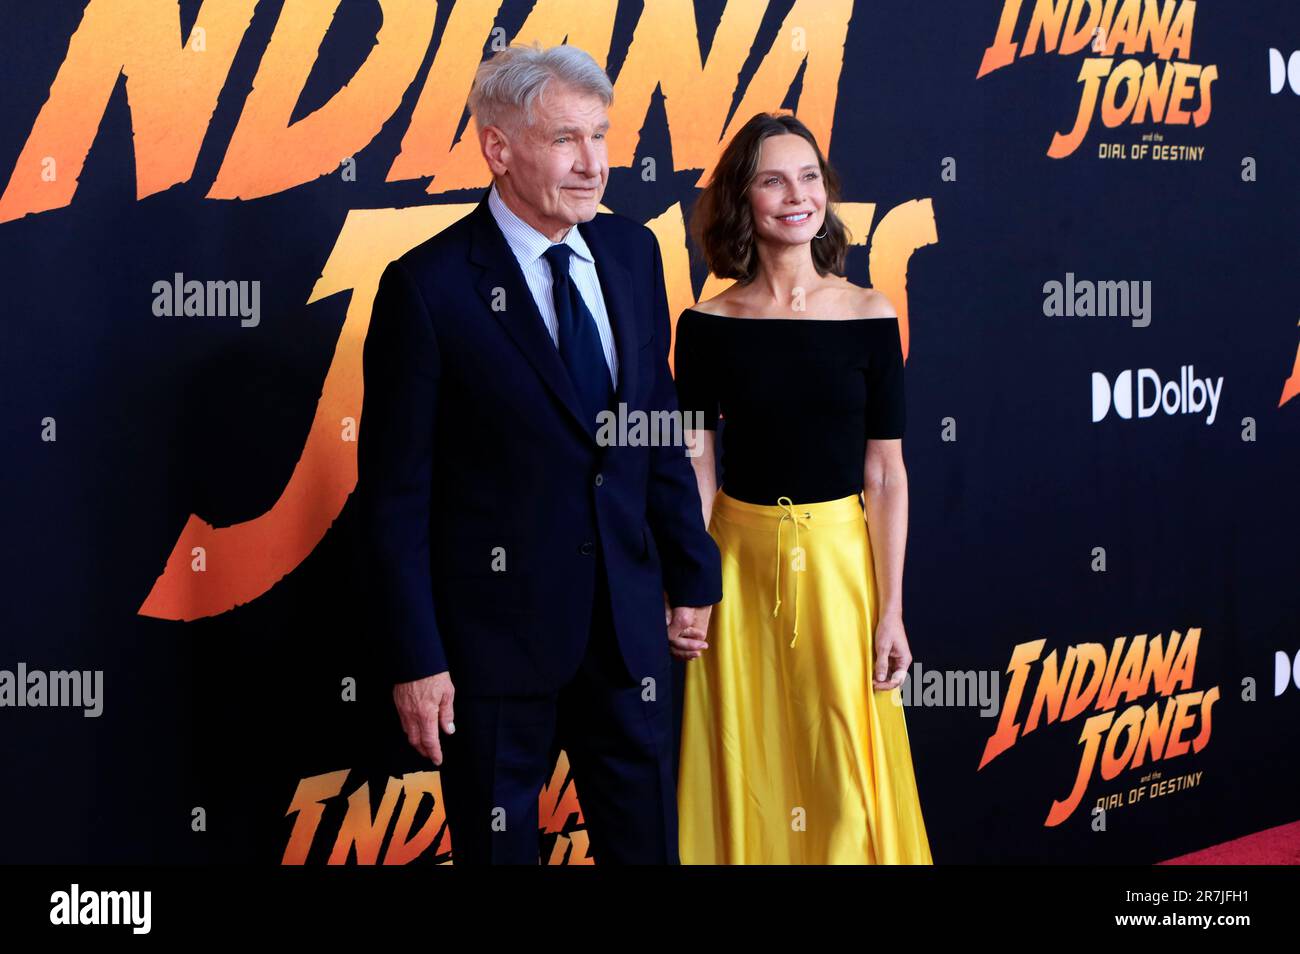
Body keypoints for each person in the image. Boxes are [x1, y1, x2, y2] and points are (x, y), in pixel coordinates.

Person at [356, 42, 721, 864]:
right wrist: (417, 659)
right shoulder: (428, 286)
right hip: (491, 651)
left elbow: (653, 423)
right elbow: (394, 495)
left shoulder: (633, 252)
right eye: (566, 140)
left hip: (628, 636)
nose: (594, 164)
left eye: (601, 136)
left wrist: (691, 570)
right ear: (498, 148)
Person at [672, 112, 933, 864]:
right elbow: (696, 462)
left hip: (839, 567)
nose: (798, 195)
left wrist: (891, 611)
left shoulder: (868, 314)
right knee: (744, 747)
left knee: (846, 766)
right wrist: (692, 584)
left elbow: (885, 473)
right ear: (742, 201)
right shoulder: (706, 323)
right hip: (735, 562)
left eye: (810, 176)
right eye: (774, 179)